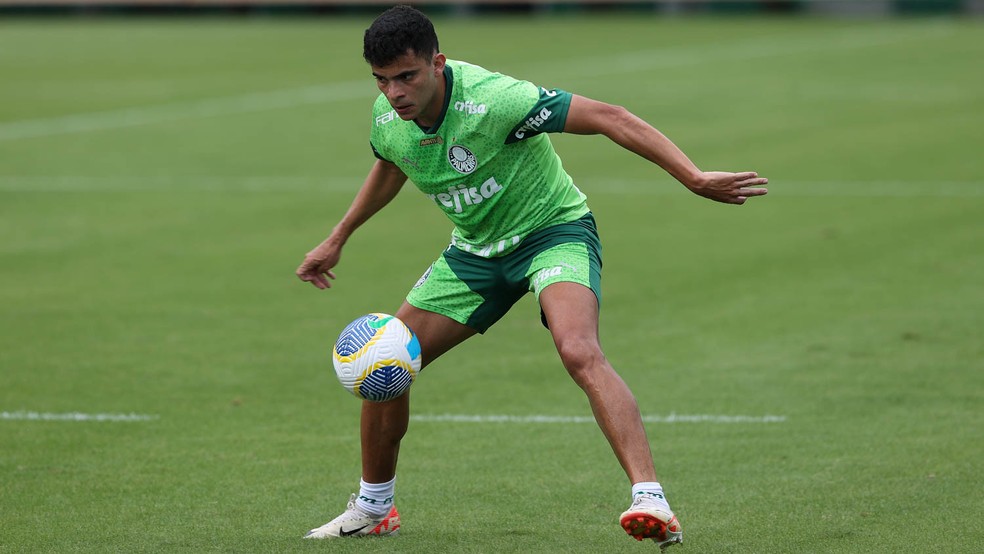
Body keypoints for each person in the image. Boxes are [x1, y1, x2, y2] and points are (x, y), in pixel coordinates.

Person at [296, 4, 767, 548]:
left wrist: (692, 175)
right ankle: (374, 507)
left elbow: (611, 116)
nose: (395, 93)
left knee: (578, 349)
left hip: (552, 233)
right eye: (381, 81)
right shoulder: (389, 120)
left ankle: (650, 498)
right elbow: (392, 162)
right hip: (474, 254)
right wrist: (338, 236)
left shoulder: (496, 101)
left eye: (407, 77)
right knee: (385, 359)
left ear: (437, 64)